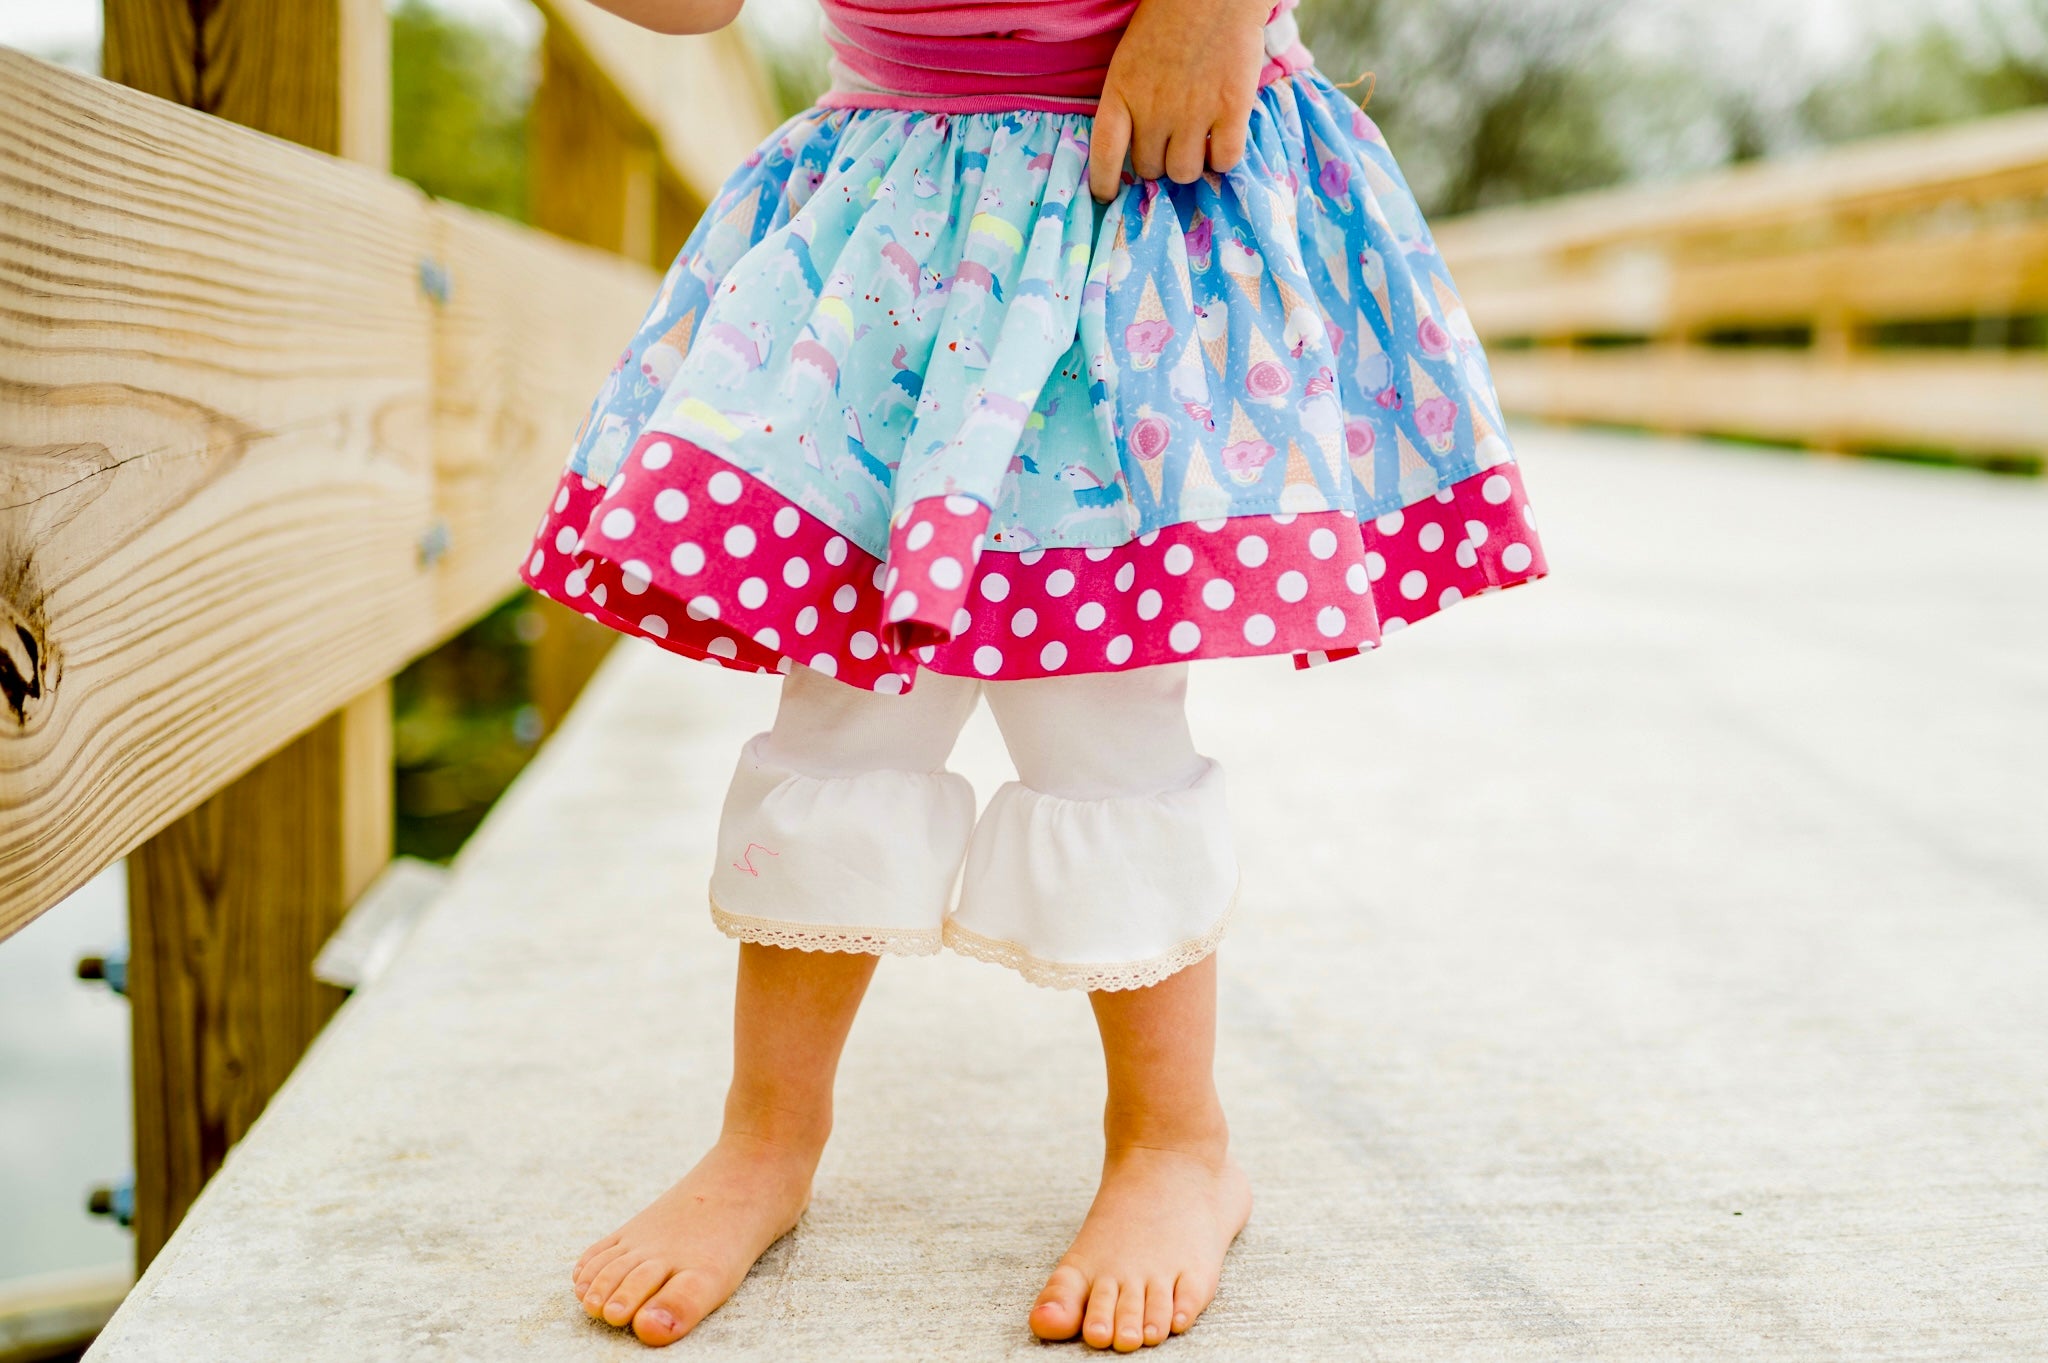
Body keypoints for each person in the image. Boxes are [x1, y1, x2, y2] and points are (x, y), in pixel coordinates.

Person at [522, 0, 1546, 1348]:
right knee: (846, 689)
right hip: (905, 215)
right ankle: (766, 1138)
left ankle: (1175, 1143)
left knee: (1104, 703)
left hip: (1143, 179)